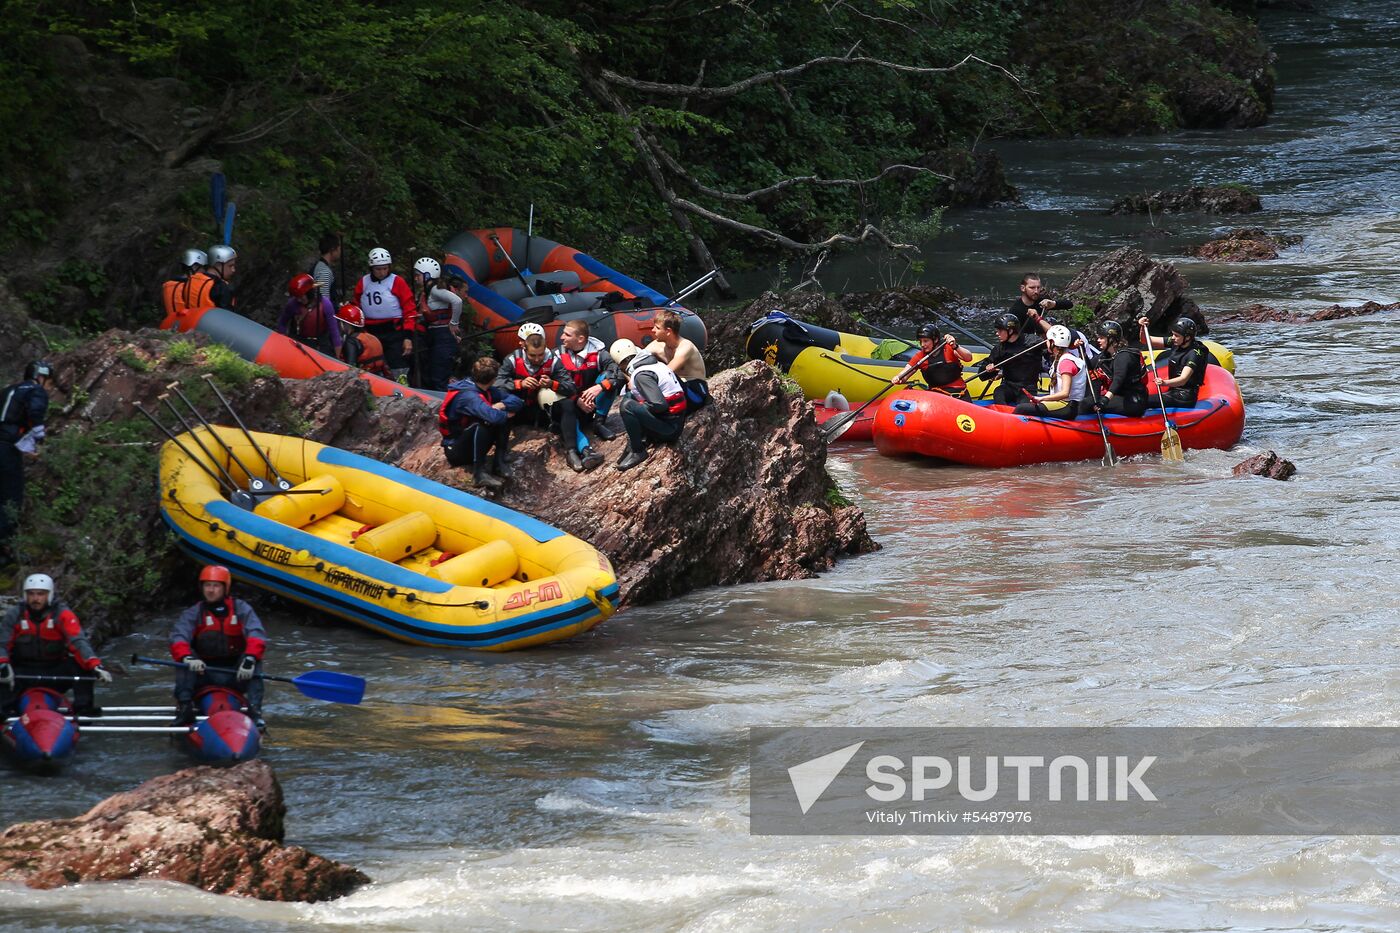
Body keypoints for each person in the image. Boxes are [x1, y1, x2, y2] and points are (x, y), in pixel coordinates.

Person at [0, 572, 111, 718]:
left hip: (55, 672)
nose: (35, 599)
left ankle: (83, 709)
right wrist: (3, 663)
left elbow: (77, 641)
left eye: (41, 594)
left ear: (50, 595)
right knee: (2, 669)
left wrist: (95, 665)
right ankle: (5, 710)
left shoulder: (62, 614)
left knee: (81, 665)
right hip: (22, 673)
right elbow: (2, 643)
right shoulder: (15, 615)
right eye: (31, 594)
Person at [169, 565, 267, 728]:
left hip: (236, 674)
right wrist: (187, 658)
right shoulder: (194, 613)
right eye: (207, 585)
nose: (211, 590)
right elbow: (178, 637)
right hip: (203, 674)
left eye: (216, 585)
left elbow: (257, 634)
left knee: (254, 659)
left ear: (225, 588)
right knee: (185, 659)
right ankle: (185, 708)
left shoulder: (241, 609)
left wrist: (250, 658)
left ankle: (255, 711)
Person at [493, 323, 576, 477]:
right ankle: (500, 457)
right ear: (525, 350)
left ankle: (572, 451)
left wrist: (552, 384)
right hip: (518, 409)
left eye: (540, 355)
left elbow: (571, 387)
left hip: (541, 411)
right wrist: (519, 384)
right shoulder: (512, 359)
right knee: (504, 404)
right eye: (532, 356)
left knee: (567, 404)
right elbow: (497, 385)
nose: (537, 359)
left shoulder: (553, 360)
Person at [440, 356, 522, 489]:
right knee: (486, 422)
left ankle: (498, 463)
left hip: (473, 442)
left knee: (502, 416)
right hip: (456, 450)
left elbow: (517, 401)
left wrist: (501, 404)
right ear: (494, 379)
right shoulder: (468, 396)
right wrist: (504, 413)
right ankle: (479, 475)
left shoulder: (487, 389)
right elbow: (493, 417)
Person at [0, 361, 54, 561]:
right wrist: (39, 440)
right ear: (41, 376)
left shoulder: (8, 390)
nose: (48, 386)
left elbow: (7, 423)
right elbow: (35, 413)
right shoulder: (35, 390)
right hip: (6, 450)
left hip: (5, 443)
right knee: (10, 499)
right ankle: (6, 549)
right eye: (49, 381)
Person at [611, 339, 688, 471]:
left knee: (628, 406)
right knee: (630, 396)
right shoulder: (656, 364)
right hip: (676, 420)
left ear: (623, 363)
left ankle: (638, 450)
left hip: (670, 429)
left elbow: (660, 405)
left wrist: (641, 406)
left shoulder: (641, 375)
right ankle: (641, 439)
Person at [556, 319, 615, 471]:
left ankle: (599, 423)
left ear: (580, 339)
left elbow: (617, 375)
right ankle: (584, 450)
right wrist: (577, 400)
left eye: (567, 335)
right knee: (566, 407)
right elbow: (555, 384)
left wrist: (600, 387)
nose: (562, 337)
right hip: (568, 405)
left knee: (607, 380)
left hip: (590, 406)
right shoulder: (556, 355)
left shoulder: (599, 354)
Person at [354, 247, 418, 378]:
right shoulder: (363, 282)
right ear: (371, 268)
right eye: (378, 269)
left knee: (398, 367)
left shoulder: (397, 281)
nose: (382, 272)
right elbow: (356, 305)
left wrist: (408, 337)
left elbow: (409, 309)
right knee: (372, 365)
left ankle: (402, 391)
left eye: (385, 268)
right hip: (371, 333)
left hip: (394, 333)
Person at [1013, 325, 1085, 420]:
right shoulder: (1060, 358)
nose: (1045, 342)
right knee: (1025, 405)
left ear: (1052, 343)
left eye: (1047, 340)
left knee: (1021, 408)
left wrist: (1042, 398)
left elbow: (1065, 393)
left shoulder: (1066, 362)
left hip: (1067, 406)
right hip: (1061, 403)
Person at [412, 257, 462, 391]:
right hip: (435, 336)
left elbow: (457, 301)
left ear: (427, 275)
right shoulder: (427, 291)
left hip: (443, 336)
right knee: (433, 375)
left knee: (439, 377)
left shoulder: (435, 290)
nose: (415, 278)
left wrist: (454, 323)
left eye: (418, 275)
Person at [1139, 316, 1210, 407]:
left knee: (1141, 401)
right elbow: (1146, 340)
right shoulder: (1176, 342)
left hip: (1184, 396)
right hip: (1173, 391)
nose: (1173, 337)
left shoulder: (1194, 354)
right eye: (1173, 334)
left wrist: (1164, 383)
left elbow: (1183, 380)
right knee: (1141, 397)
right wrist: (1142, 327)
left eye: (1176, 335)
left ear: (1187, 337)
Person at [976, 314, 1043, 406]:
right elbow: (982, 375)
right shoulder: (1000, 348)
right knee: (998, 392)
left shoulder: (1032, 342)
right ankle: (1002, 414)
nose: (997, 333)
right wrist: (989, 370)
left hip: (1028, 388)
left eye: (1000, 330)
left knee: (1023, 406)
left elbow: (1051, 347)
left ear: (1010, 331)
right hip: (1009, 386)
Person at [891, 323, 974, 396]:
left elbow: (968, 358)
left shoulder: (948, 348)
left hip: (958, 393)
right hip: (936, 396)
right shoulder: (920, 356)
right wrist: (899, 378)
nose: (922, 345)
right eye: (920, 341)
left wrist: (955, 346)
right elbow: (907, 371)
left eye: (926, 341)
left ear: (936, 340)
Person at [1089, 320, 1148, 417]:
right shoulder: (1105, 356)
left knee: (1088, 404)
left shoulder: (1124, 356)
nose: (1098, 340)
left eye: (1101, 338)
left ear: (1111, 340)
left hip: (1134, 402)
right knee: (1089, 401)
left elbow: (1118, 379)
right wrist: (1080, 348)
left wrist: (1105, 400)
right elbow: (1088, 366)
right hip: (1120, 397)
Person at [276, 273, 342, 356]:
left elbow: (334, 331)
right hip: (298, 340)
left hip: (319, 343)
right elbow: (282, 323)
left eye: (301, 297)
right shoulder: (292, 304)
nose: (299, 300)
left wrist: (338, 356)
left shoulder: (325, 304)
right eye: (297, 297)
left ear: (309, 293)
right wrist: (282, 340)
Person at [336, 304, 391, 377]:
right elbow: (385, 366)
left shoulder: (351, 341)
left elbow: (350, 367)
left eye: (339, 322)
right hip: (378, 377)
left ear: (345, 324)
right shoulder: (372, 337)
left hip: (363, 378)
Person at [160, 249, 213, 321]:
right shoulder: (194, 287)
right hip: (190, 325)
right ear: (194, 266)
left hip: (172, 325)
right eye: (203, 267)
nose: (204, 271)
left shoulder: (168, 285)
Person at [310, 233, 342, 306]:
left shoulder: (319, 267)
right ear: (332, 250)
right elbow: (323, 301)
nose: (340, 252)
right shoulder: (324, 271)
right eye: (339, 249)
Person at [206, 244, 238, 312]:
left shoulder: (192, 280)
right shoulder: (221, 287)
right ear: (218, 265)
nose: (233, 270)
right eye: (230, 266)